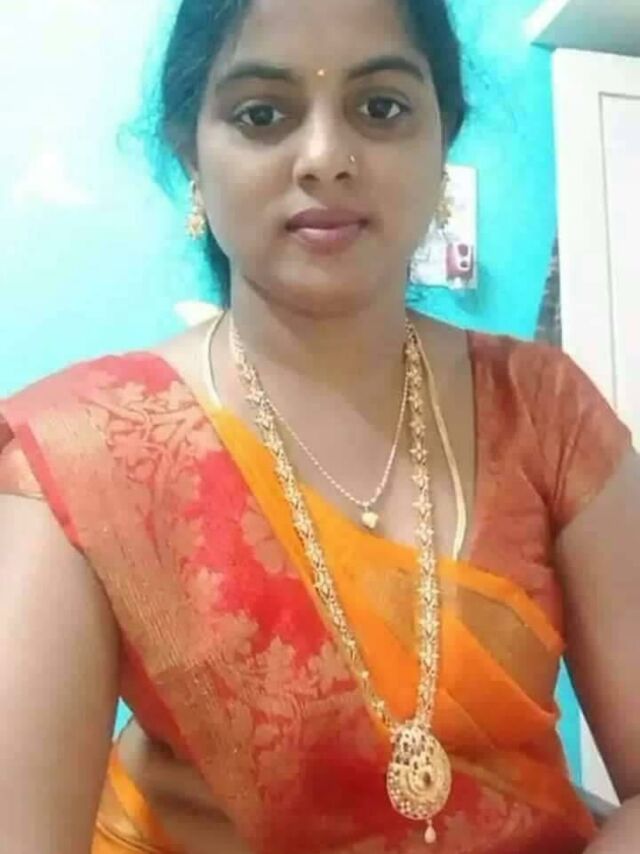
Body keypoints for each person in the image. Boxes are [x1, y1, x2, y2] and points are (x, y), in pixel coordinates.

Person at [0, 0, 639, 851]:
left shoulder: (545, 410)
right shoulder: (82, 455)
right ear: (191, 153)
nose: (326, 156)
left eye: (380, 106)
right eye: (262, 115)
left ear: (442, 139)